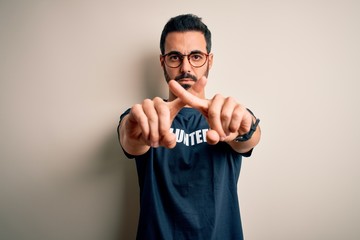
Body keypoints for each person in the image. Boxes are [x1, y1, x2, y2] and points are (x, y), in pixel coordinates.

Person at [118, 14, 261, 240]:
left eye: (196, 56)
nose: (186, 67)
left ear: (209, 60)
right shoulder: (146, 117)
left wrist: (246, 129)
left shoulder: (227, 115)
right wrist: (133, 130)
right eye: (175, 57)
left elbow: (250, 136)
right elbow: (130, 137)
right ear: (163, 61)